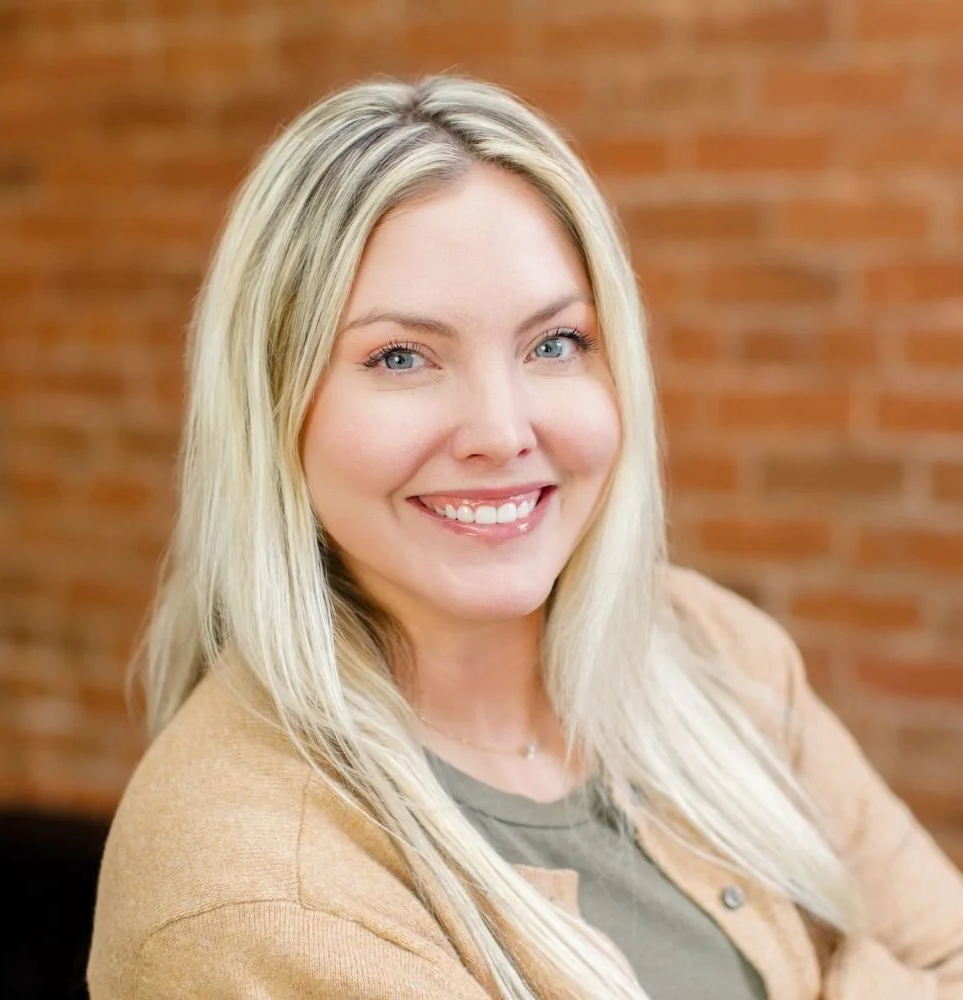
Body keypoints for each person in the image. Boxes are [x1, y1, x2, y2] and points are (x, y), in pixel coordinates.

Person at [87, 76, 963, 1000]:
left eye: (554, 344)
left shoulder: (717, 655)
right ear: (273, 406)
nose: (502, 431)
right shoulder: (251, 895)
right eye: (400, 357)